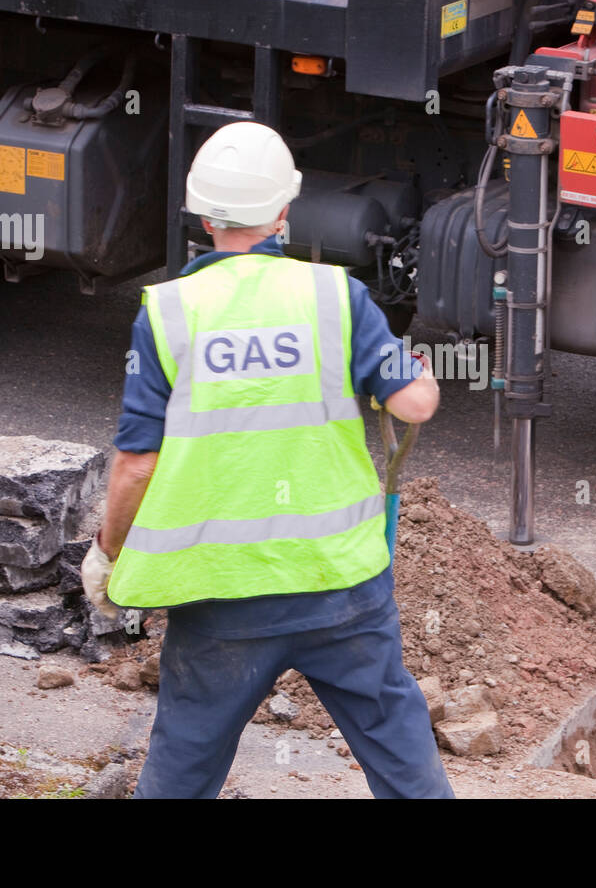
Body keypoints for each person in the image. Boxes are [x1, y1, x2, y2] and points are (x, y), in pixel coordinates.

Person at [80, 121, 452, 799]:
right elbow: (415, 406)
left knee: (182, 769)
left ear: (198, 215)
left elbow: (136, 463)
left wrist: (109, 554)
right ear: (285, 211)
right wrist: (414, 373)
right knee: (402, 756)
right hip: (340, 588)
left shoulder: (168, 313)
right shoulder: (335, 297)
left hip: (221, 598)